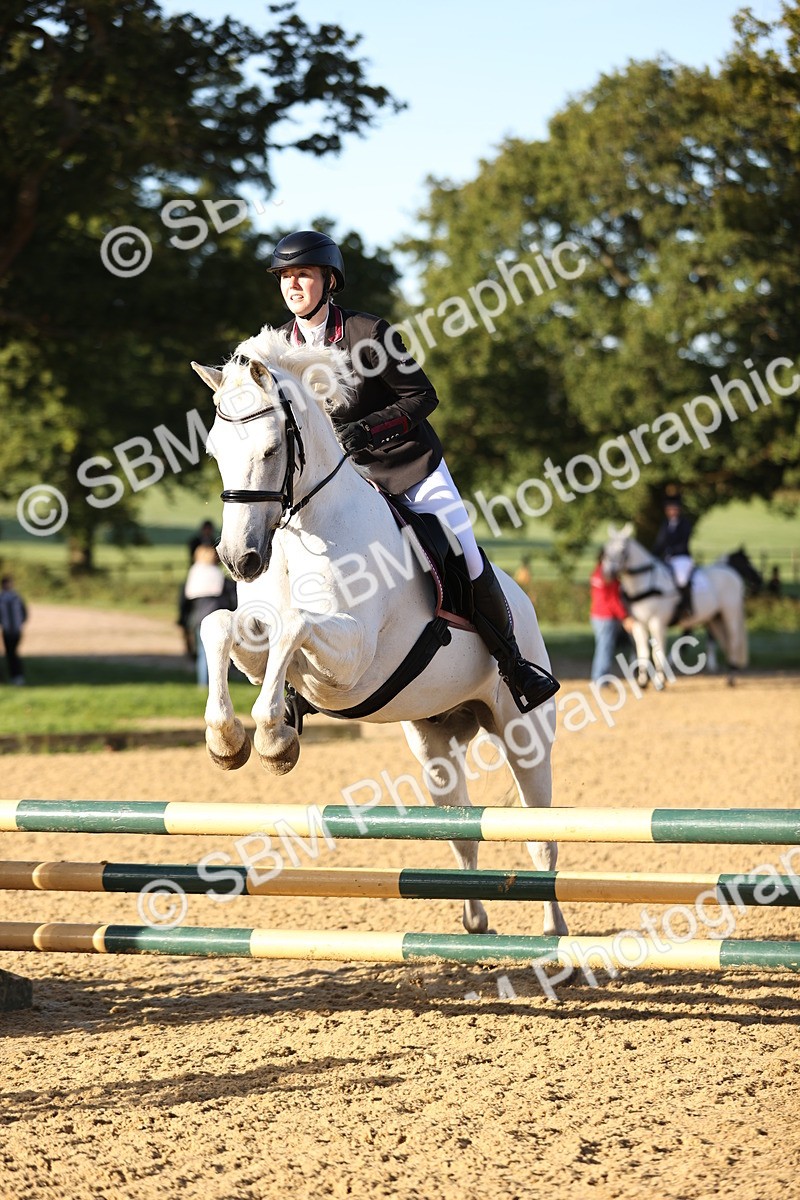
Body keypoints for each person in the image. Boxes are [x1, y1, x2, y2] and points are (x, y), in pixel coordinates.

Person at [267, 229, 559, 712]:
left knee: (464, 552)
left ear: (329, 280)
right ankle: (298, 686)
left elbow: (422, 396)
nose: (293, 285)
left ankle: (513, 665)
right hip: (340, 481)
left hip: (408, 467)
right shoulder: (279, 346)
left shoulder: (368, 333)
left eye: (304, 275)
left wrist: (369, 429)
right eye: (286, 277)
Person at [179, 546, 236, 685]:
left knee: (203, 652)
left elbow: (185, 599)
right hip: (217, 616)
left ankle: (204, 683)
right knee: (223, 652)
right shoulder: (217, 575)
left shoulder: (194, 575)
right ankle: (219, 682)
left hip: (198, 618)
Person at [653, 490, 695, 620]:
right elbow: (660, 543)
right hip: (668, 558)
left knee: (681, 579)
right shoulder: (665, 524)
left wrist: (672, 551)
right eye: (669, 509)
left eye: (674, 509)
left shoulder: (685, 524)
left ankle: (687, 606)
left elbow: (684, 543)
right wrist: (651, 555)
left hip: (682, 557)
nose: (671, 511)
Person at [589, 552, 630, 682]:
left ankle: (600, 677)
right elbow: (612, 600)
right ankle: (600, 679)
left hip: (597, 615)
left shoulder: (597, 573)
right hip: (606, 616)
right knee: (605, 648)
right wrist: (625, 617)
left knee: (603, 647)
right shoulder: (607, 576)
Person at [0, 575, 28, 685]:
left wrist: (19, 624)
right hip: (6, 630)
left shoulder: (17, 598)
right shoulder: (1, 598)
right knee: (10, 653)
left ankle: (17, 676)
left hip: (16, 630)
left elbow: (24, 613)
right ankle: (13, 676)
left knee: (13, 653)